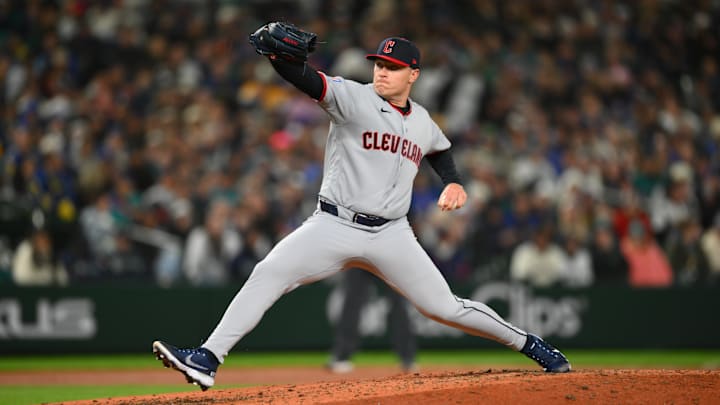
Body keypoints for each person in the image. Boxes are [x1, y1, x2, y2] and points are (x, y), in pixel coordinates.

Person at [152, 25, 571, 391]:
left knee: (445, 308)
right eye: (379, 64)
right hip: (334, 224)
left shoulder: (423, 120)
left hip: (392, 233)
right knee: (270, 271)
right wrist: (278, 58)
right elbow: (307, 80)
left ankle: (531, 344)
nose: (382, 71)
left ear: (413, 74)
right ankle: (208, 357)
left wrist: (454, 181)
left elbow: (441, 150)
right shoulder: (352, 97)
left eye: (392, 66)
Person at [327, 268, 417, 373]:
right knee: (352, 301)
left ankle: (407, 358)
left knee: (398, 303)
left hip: (382, 255)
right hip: (361, 256)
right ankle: (341, 356)